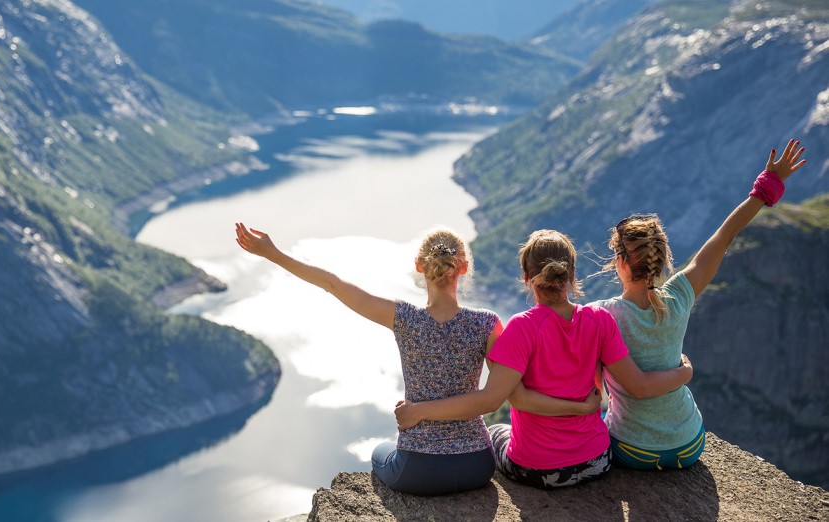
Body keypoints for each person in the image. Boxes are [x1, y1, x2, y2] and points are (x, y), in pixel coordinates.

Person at [235, 224, 588, 495]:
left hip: (418, 470)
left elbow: (333, 284)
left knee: (380, 452)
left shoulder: (404, 318)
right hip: (478, 465)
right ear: (463, 267)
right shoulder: (487, 322)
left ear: (419, 266)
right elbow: (496, 396)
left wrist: (273, 254)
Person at [395, 229, 694, 489]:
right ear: (572, 275)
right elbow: (635, 382)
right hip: (597, 460)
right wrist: (681, 373)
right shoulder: (599, 319)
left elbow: (515, 399)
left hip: (538, 469)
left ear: (526, 277)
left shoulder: (522, 327)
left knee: (497, 432)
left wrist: (419, 411)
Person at [595, 139, 807, 470]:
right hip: (690, 443)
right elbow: (723, 237)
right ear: (662, 259)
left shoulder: (604, 314)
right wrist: (768, 185)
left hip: (635, 450)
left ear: (620, 262)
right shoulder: (680, 293)